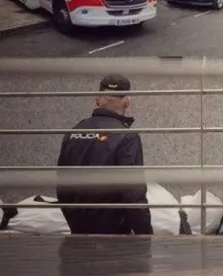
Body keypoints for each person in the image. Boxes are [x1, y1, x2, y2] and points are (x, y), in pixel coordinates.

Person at [56, 74, 153, 235]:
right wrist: (145, 234)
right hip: (114, 237)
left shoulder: (74, 132)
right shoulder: (126, 136)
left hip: (78, 234)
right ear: (127, 101)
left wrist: (75, 224)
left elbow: (62, 186)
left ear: (97, 99)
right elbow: (132, 193)